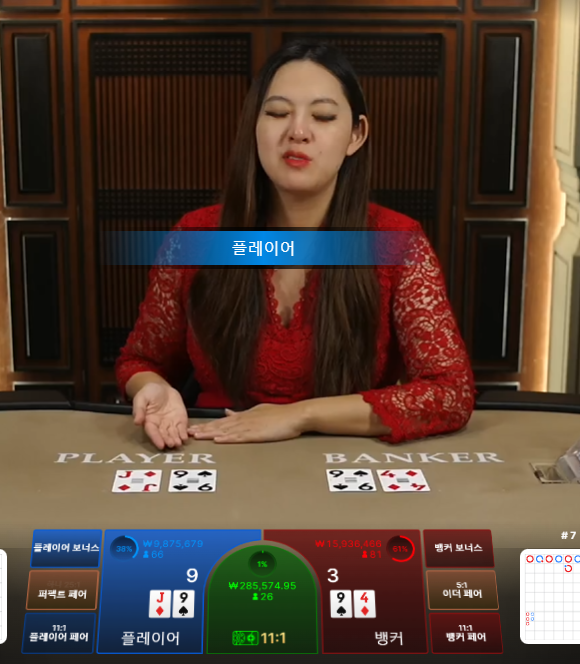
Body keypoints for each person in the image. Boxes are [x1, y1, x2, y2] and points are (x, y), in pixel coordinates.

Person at [115, 38, 475, 451]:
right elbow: (141, 361)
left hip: (344, 458)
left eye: (322, 116)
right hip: (216, 449)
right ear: (254, 126)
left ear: (356, 135)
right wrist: (154, 387)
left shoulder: (396, 244)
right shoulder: (198, 237)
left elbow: (450, 392)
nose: (297, 132)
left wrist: (300, 416)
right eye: (277, 113)